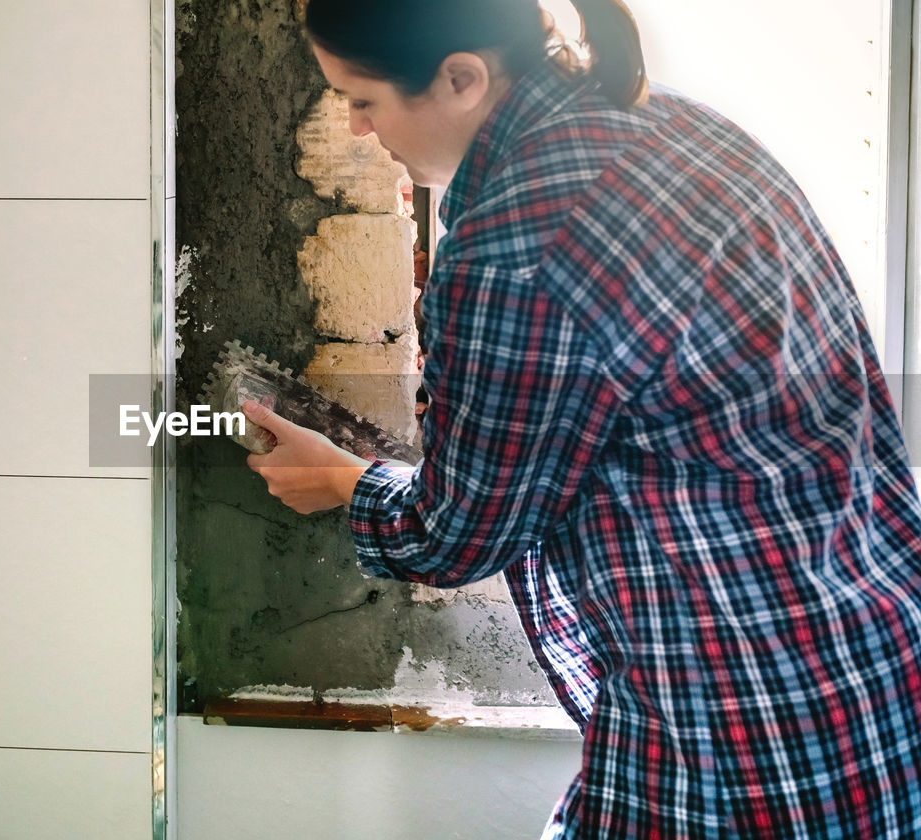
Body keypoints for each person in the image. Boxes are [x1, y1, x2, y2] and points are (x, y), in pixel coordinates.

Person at [243, 0, 921, 836]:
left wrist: (348, 481)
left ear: (462, 77)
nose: (353, 127)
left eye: (365, 98)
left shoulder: (517, 241)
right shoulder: (676, 122)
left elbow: (461, 533)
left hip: (735, 707)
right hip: (875, 647)